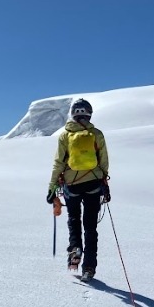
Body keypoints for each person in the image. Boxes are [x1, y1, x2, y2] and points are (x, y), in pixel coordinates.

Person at [46, 97, 110, 280]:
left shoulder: (65, 135)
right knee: (90, 226)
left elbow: (58, 162)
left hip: (71, 184)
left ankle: (75, 249)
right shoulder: (97, 134)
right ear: (89, 113)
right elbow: (104, 160)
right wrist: (103, 179)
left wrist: (52, 186)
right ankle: (89, 267)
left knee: (74, 219)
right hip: (93, 183)